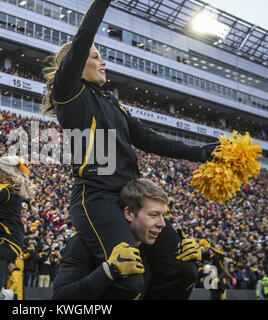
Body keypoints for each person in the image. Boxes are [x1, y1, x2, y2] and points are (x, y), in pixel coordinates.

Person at [42, 0, 216, 299]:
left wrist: (201, 152)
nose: (103, 62)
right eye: (96, 57)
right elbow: (83, 38)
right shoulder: (69, 93)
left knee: (185, 270)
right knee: (128, 280)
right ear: (78, 61)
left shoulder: (112, 102)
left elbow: (149, 138)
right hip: (96, 197)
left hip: (131, 195)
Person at [52, 179, 201, 299]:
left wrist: (186, 262)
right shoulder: (83, 243)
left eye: (163, 215)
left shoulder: (154, 250)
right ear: (129, 213)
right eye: (153, 215)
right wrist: (109, 271)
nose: (162, 224)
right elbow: (60, 297)